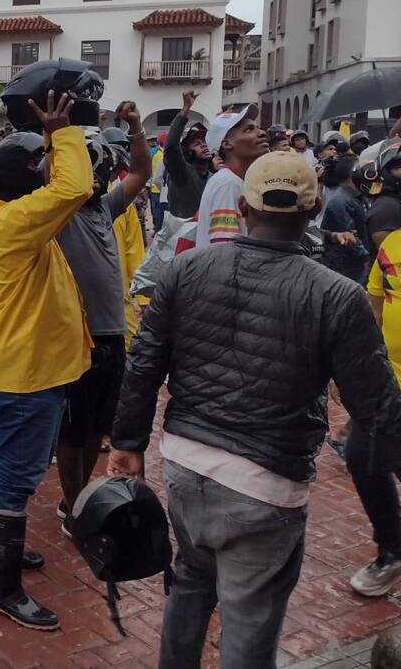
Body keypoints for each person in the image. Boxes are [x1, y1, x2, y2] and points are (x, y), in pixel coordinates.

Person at [109, 152, 401, 668]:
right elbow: (377, 408)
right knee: (248, 617)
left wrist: (129, 445)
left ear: (243, 207)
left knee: (192, 582)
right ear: (314, 214)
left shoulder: (186, 268)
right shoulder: (335, 294)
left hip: (186, 463)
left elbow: (144, 363)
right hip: (266, 484)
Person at [0, 91, 93, 630]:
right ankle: (3, 586)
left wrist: (48, 140)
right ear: (24, 181)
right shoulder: (14, 222)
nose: (47, 169)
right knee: (17, 478)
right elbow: (76, 186)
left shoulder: (7, 213)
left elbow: (55, 184)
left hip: (31, 365)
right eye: (38, 163)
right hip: (27, 373)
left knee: (17, 469)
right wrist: (63, 133)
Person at [53, 103, 151, 524]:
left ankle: (76, 500)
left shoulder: (105, 208)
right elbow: (53, 175)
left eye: (101, 172)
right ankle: (73, 506)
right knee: (72, 432)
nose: (96, 179)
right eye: (88, 172)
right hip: (78, 338)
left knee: (96, 428)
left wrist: (134, 127)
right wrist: (60, 133)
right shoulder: (59, 212)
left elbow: (142, 174)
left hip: (111, 337)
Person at [348, 224, 401, 597]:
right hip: (389, 386)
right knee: (362, 457)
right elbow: (374, 313)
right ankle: (393, 550)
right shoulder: (392, 246)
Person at [194, 105, 269, 248]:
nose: (262, 133)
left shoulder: (237, 181)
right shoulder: (227, 184)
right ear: (227, 144)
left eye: (258, 128)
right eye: (249, 130)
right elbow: (224, 249)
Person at [161, 90, 212, 220]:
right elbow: (171, 146)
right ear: (187, 151)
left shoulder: (214, 178)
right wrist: (186, 108)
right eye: (197, 143)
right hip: (183, 237)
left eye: (205, 142)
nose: (204, 145)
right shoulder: (182, 173)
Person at [319, 154, 369, 283]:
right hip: (345, 268)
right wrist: (369, 260)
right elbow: (350, 238)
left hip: (357, 264)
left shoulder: (359, 195)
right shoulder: (340, 201)